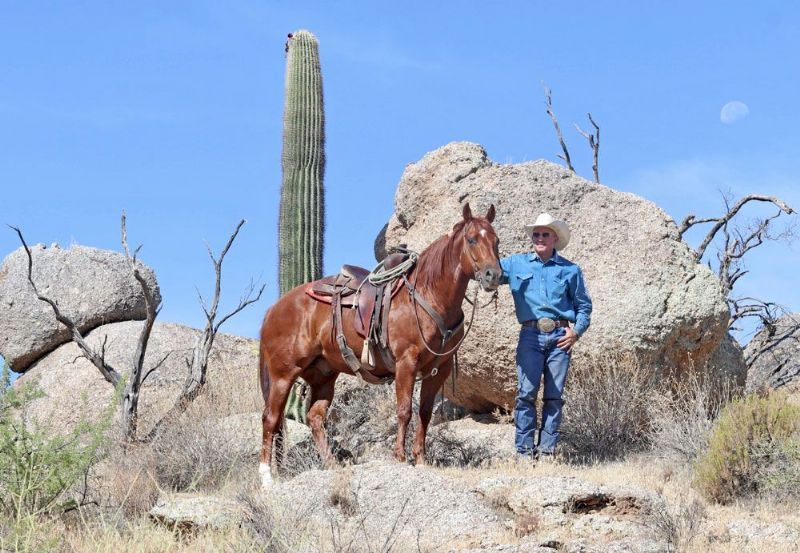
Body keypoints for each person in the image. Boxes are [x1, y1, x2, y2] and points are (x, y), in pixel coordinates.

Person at [499, 213, 592, 458]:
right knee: (526, 394)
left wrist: (576, 332)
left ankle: (548, 452)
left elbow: (583, 306)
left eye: (544, 234)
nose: (539, 238)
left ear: (554, 238)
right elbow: (489, 271)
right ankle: (524, 453)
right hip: (530, 336)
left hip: (560, 336)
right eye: (536, 234)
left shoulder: (570, 270)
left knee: (554, 397)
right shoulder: (515, 263)